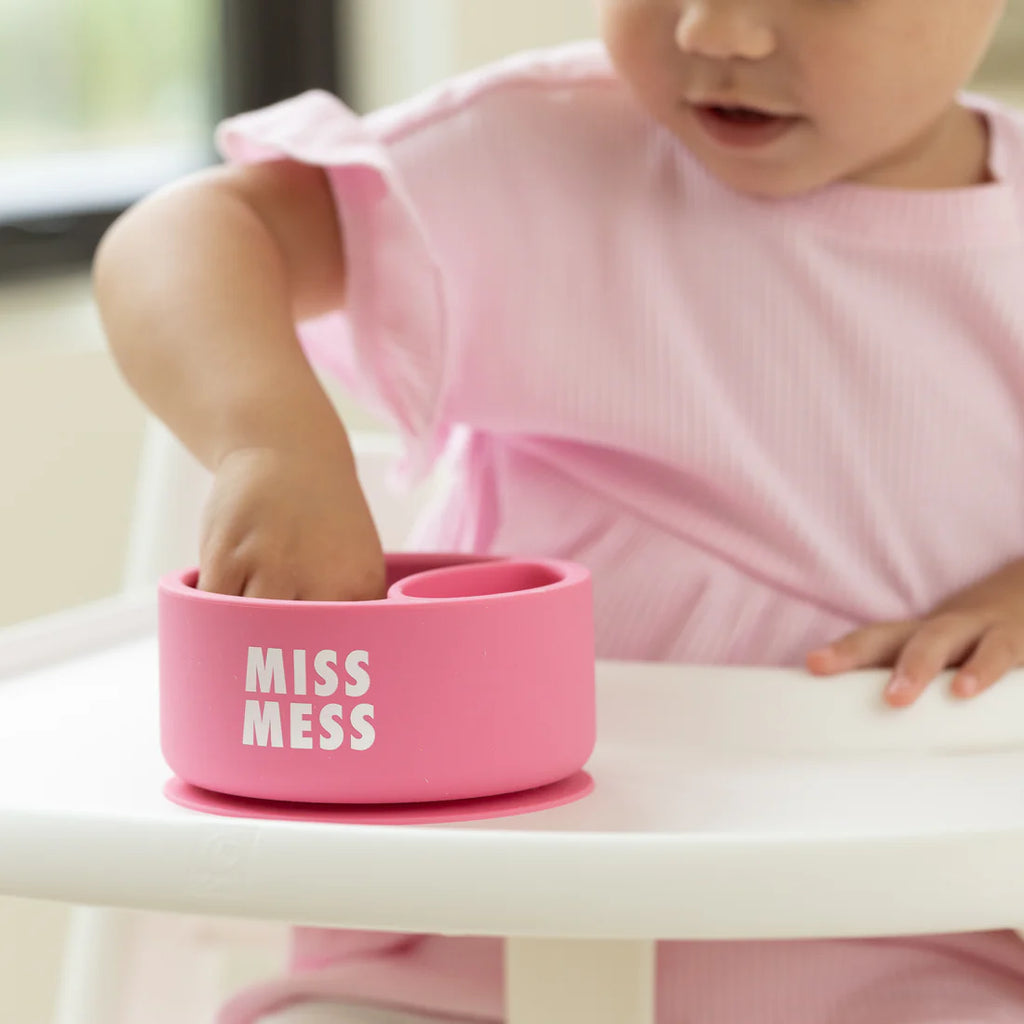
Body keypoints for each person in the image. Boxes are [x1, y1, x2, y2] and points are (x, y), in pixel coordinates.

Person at [94, 1, 1024, 1021]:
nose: (716, 32)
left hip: (918, 942)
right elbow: (188, 230)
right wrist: (272, 443)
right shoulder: (538, 151)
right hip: (472, 948)